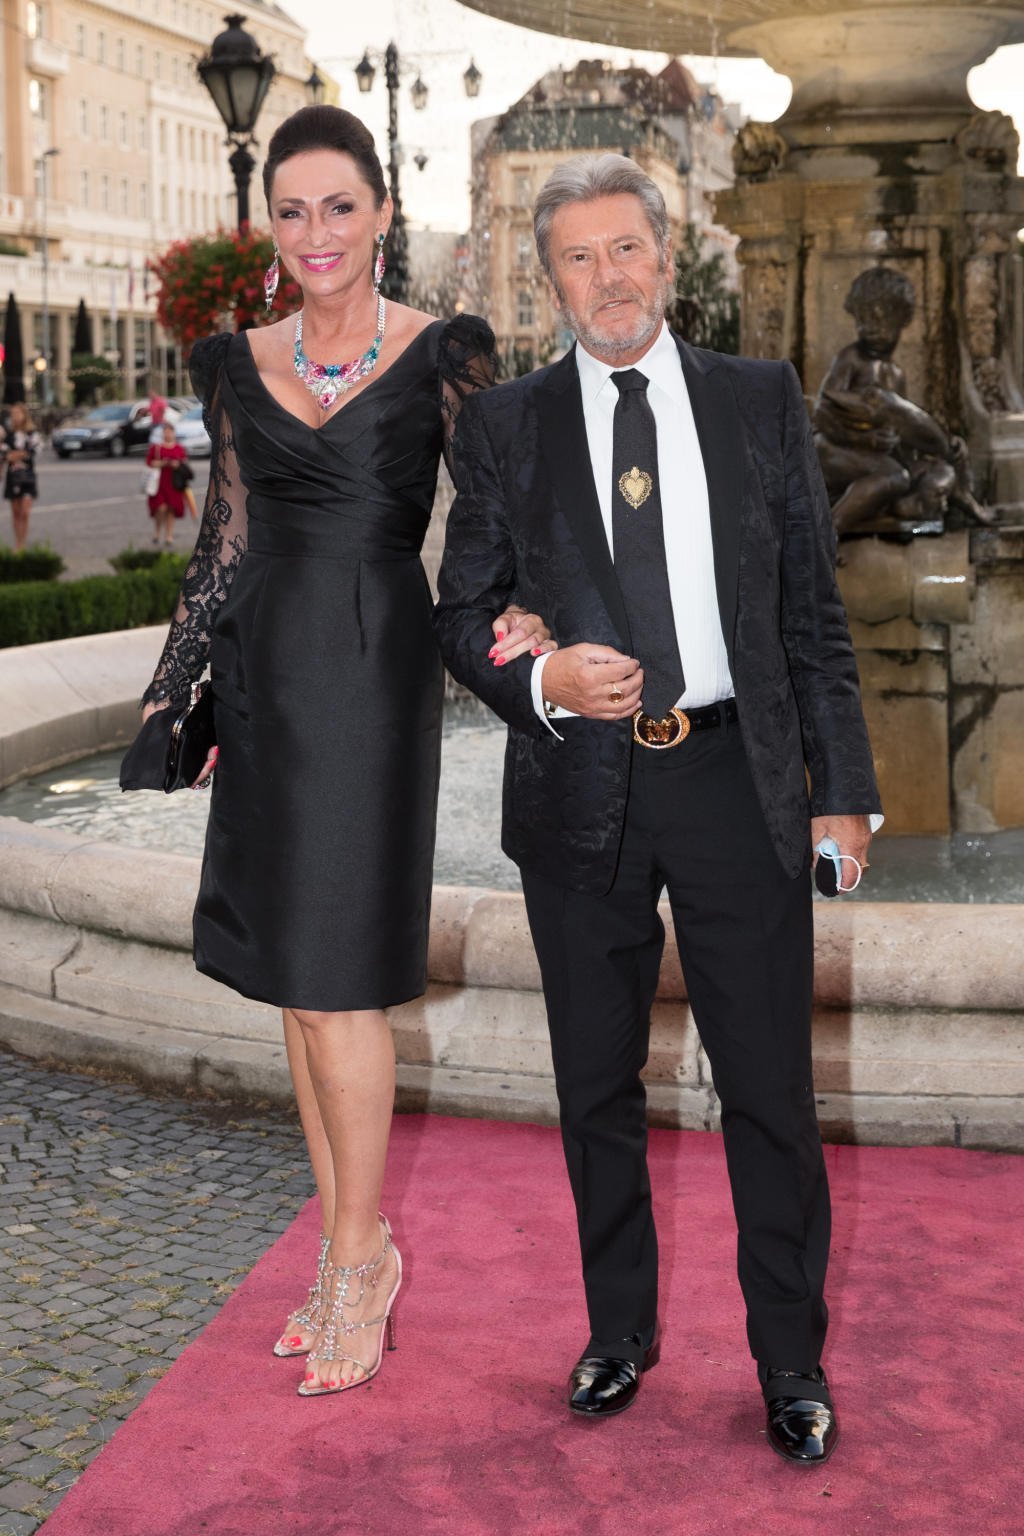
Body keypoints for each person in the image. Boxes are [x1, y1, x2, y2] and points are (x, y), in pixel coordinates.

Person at [434, 153, 882, 1465]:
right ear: (550, 280)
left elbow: (811, 613)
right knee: (594, 1083)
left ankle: (790, 1361)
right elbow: (460, 616)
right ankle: (617, 1331)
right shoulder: (504, 426)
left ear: (668, 256)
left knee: (770, 1089)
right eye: (577, 257)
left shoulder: (758, 398)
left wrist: (844, 792)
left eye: (625, 247)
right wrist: (545, 681)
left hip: (739, 780)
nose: (608, 277)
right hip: (581, 784)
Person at [137, 105, 551, 1399]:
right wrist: (176, 701)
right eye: (291, 210)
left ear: (381, 213)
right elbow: (222, 545)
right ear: (269, 225)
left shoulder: (443, 353)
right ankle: (341, 1249)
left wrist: (533, 613)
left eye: (338, 206)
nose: (315, 233)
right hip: (266, 680)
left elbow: (501, 509)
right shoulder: (232, 361)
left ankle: (365, 1262)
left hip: (372, 680)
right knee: (295, 988)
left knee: (339, 984)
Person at [813, 265, 993, 534]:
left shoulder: (896, 374)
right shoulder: (851, 359)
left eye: (880, 319)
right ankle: (830, 530)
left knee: (941, 472)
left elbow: (903, 430)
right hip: (836, 451)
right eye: (862, 319)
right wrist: (866, 439)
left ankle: (893, 512)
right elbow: (822, 413)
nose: (869, 328)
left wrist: (939, 446)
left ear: (902, 319)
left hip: (878, 458)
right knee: (895, 477)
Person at [2, 403, 43, 551]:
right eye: (13, 414)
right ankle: (18, 544)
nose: (15, 417)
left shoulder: (31, 433)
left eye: (18, 413)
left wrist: (16, 455)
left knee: (25, 512)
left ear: (24, 415)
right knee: (15, 512)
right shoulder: (8, 434)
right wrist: (16, 455)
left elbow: (33, 451)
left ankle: (23, 543)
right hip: (12, 477)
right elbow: (5, 454)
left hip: (27, 477)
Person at [145, 422, 188, 546]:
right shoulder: (156, 448)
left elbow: (184, 463)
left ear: (174, 433)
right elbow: (149, 462)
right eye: (165, 432)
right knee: (160, 507)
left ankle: (169, 535)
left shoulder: (179, 448)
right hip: (159, 482)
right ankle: (157, 531)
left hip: (174, 483)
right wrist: (163, 463)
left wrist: (177, 464)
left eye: (170, 432)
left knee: (171, 509)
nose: (168, 434)